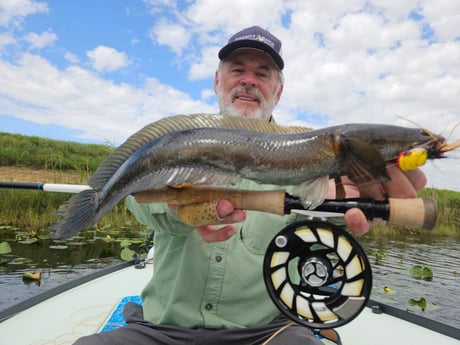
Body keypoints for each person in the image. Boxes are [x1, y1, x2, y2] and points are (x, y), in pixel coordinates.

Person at [74, 26, 427, 345]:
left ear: (279, 90)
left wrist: (370, 207)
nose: (249, 81)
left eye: (262, 73)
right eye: (237, 69)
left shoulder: (316, 164)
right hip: (160, 328)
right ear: (217, 80)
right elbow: (141, 203)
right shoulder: (184, 141)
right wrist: (178, 207)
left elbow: (331, 218)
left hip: (266, 332)